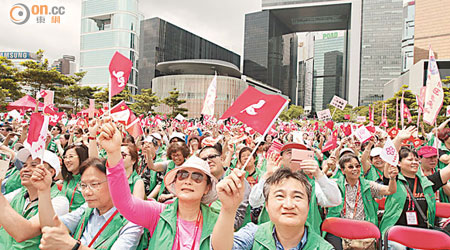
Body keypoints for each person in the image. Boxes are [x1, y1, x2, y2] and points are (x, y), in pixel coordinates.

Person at [100, 119, 220, 249]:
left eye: (197, 177)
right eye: (182, 175)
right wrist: (113, 153)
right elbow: (125, 203)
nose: (188, 180)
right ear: (175, 182)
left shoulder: (217, 221)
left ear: (207, 187)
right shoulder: (158, 213)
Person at [211, 167, 333, 250]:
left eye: (297, 197)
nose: (289, 205)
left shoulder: (323, 247)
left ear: (308, 205)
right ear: (267, 205)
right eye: (280, 196)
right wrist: (228, 209)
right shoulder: (254, 234)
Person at [35, 157, 144, 250]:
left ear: (114, 184)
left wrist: (74, 246)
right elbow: (50, 227)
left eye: (95, 184)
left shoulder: (132, 221)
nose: (87, 192)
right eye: (83, 185)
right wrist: (44, 191)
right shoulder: (87, 209)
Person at [250, 143, 341, 234]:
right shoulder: (271, 180)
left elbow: (335, 201)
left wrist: (319, 174)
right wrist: (268, 175)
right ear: (281, 158)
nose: (294, 157)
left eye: (298, 153)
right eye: (289, 153)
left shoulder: (312, 184)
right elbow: (254, 202)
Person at [379, 132, 450, 250]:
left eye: (416, 160)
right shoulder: (393, 179)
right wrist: (398, 139)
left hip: (421, 234)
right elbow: (390, 160)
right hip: (396, 235)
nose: (414, 162)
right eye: (410, 159)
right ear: (399, 163)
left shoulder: (427, 183)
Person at [325, 154, 398, 250]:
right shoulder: (335, 185)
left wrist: (392, 178)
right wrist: (326, 167)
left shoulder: (368, 185)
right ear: (343, 170)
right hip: (340, 230)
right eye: (350, 167)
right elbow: (316, 184)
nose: (355, 169)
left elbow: (390, 190)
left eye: (357, 166)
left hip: (363, 231)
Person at [0, 148, 68, 249]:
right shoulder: (19, 193)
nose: (25, 169)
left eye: (34, 165)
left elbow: (23, 233)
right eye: (24, 165)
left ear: (51, 172)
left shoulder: (59, 201)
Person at [199, 145, 251, 230]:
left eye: (212, 156)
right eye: (204, 159)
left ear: (222, 159)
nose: (208, 161)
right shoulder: (202, 183)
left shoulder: (236, 178)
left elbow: (239, 216)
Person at [61, 144, 89, 211]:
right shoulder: (68, 178)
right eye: (65, 157)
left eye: (71, 156)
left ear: (81, 157)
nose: (67, 160)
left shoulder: (88, 180)